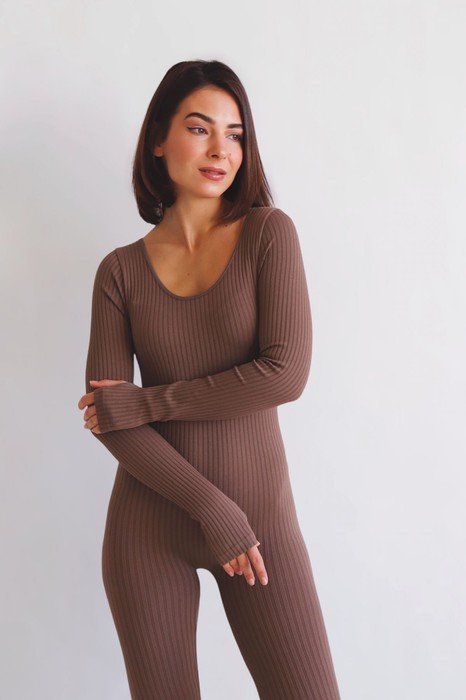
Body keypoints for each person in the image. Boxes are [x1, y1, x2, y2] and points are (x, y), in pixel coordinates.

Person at [77, 59, 341, 700]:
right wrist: (212, 508)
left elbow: (285, 374)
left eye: (235, 134)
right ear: (158, 140)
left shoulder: (269, 235)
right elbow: (109, 418)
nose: (222, 149)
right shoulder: (120, 272)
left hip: (260, 523)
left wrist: (151, 403)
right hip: (148, 529)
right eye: (200, 129)